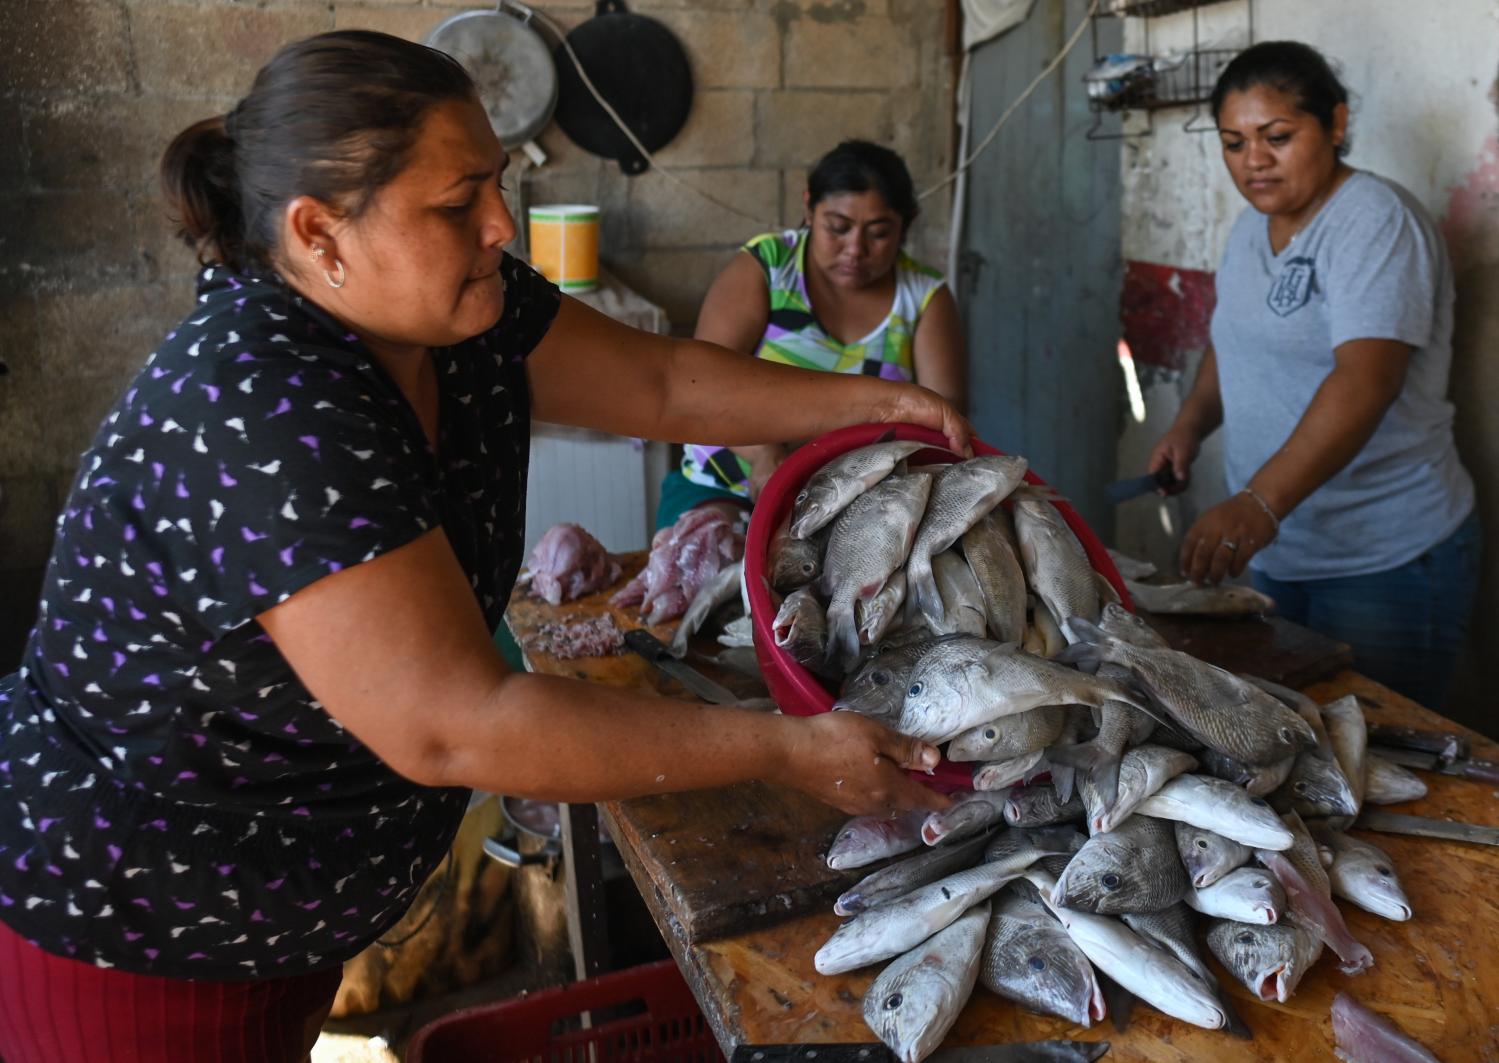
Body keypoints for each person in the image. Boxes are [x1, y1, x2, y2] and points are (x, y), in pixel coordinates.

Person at [0, 32, 968, 1059]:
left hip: (270, 912)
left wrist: (879, 400)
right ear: (318, 233)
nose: (502, 226)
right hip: (136, 925)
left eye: (496, 185)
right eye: (458, 205)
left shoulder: (463, 317)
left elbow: (663, 386)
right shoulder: (265, 401)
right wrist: (787, 751)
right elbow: (459, 721)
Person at [1147, 40, 1479, 709]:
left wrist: (1258, 501)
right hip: (1277, 550)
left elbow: (1365, 380)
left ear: (1334, 123)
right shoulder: (1250, 228)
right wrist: (1189, 425)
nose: (1254, 161)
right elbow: (1230, 340)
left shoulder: (1373, 223)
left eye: (1276, 136)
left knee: (1381, 752)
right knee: (1291, 742)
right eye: (1233, 143)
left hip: (1381, 560)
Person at [659, 140, 967, 528]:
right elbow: (700, 385)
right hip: (728, 483)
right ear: (808, 207)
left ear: (909, 223)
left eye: (879, 232)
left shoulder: (922, 296)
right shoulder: (769, 267)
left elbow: (943, 419)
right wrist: (764, 452)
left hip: (860, 501)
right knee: (711, 557)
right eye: (837, 227)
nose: (855, 249)